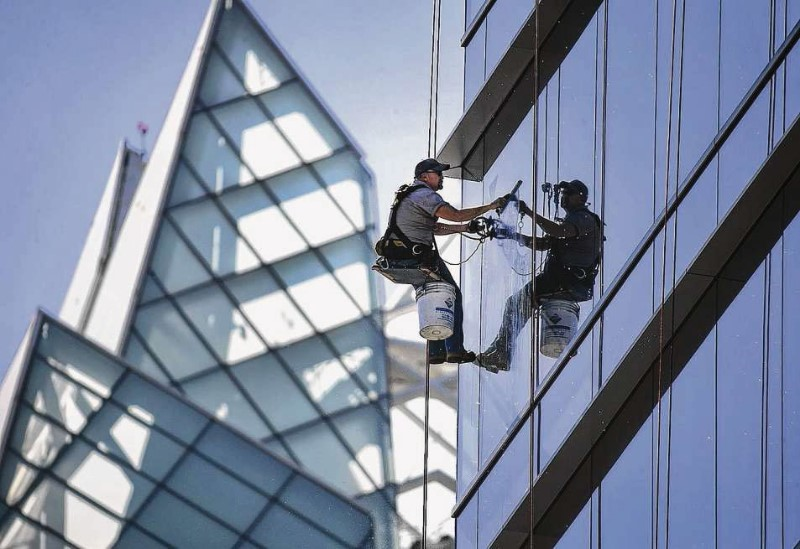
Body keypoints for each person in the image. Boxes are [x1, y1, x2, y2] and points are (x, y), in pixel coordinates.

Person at [385, 158, 508, 364]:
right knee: (452, 295)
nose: (441, 177)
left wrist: (465, 229)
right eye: (438, 173)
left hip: (404, 259)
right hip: (418, 258)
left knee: (433, 297)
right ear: (425, 176)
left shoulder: (409, 195)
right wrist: (490, 206)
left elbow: (435, 228)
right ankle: (454, 349)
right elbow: (456, 215)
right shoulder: (425, 194)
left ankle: (436, 352)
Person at [477, 179, 602, 372]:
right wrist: (511, 235)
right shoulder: (572, 222)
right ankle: (499, 352)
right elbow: (544, 244)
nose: (563, 198)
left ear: (581, 197)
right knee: (516, 305)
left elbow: (559, 232)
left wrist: (527, 212)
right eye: (563, 194)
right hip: (563, 282)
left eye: (568, 194)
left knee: (514, 304)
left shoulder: (583, 219)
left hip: (564, 281)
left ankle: (500, 353)